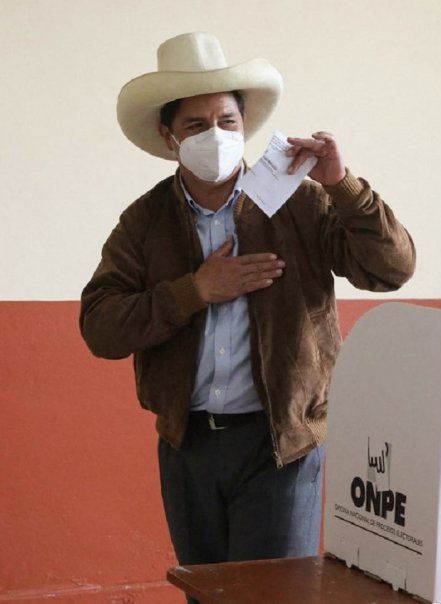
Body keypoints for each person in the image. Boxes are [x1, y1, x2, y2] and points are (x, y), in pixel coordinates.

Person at [79, 31, 415, 583]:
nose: (215, 135)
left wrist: (344, 186)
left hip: (280, 444)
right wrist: (195, 290)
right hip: (187, 445)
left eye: (227, 122)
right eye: (195, 125)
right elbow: (99, 327)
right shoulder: (144, 221)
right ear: (169, 137)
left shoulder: (300, 200)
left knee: (274, 595)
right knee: (206, 593)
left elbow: (392, 268)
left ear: (245, 125)